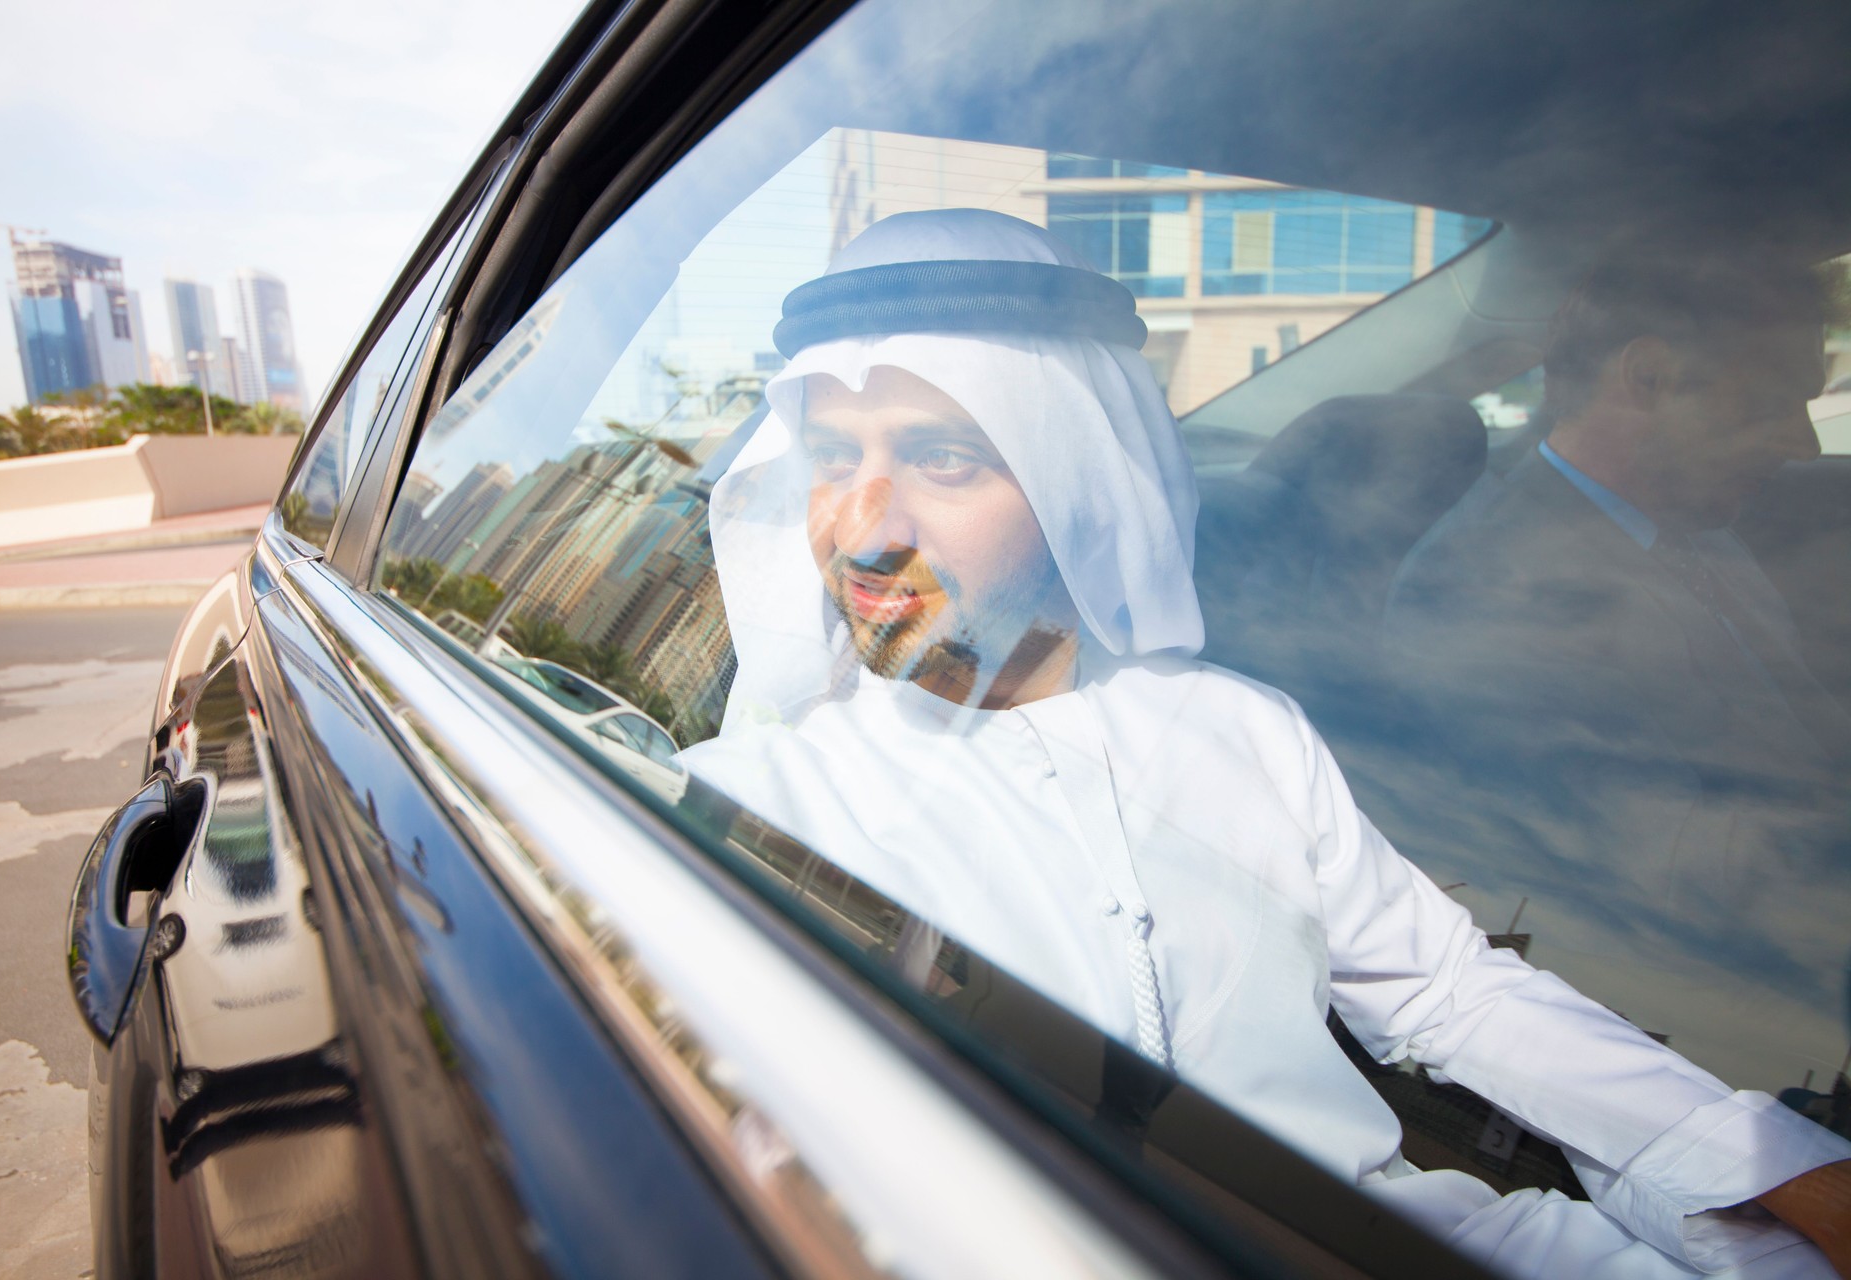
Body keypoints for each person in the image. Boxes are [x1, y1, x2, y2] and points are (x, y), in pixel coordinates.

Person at [679, 209, 1851, 1278]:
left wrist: (1776, 1164)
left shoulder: (1239, 728)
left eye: (944, 458)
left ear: (1074, 472)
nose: (862, 525)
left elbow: (1448, 991)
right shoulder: (762, 812)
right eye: (835, 455)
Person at [1382, 253, 1851, 999]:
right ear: (1647, 378)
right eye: (1772, 403)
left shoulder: (1696, 533)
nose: (1805, 444)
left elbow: (1807, 734)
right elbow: (1693, 880)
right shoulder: (1493, 592)